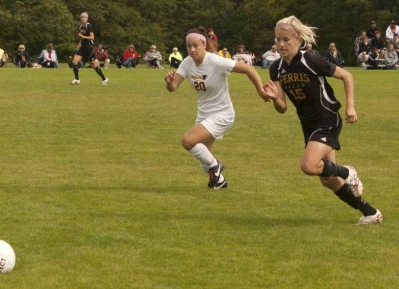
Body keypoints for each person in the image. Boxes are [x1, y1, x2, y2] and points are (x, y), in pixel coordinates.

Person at [263, 15, 382, 224]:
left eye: (286, 40)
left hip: (327, 118)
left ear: (297, 39)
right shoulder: (277, 69)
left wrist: (351, 106)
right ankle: (370, 212)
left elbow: (347, 76)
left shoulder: (311, 59)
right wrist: (274, 98)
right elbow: (282, 108)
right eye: (278, 39)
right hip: (308, 123)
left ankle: (348, 172)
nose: (280, 44)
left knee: (309, 165)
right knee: (328, 179)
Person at [164, 26, 269, 189]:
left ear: (204, 44)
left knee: (188, 141)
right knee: (204, 157)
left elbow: (248, 69)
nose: (192, 50)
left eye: (195, 45)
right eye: (188, 46)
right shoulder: (187, 62)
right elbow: (173, 87)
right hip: (203, 114)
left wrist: (261, 91)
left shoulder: (215, 61)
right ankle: (219, 181)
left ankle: (216, 166)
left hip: (222, 114)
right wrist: (170, 82)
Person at [70, 12, 108, 85]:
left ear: (87, 19)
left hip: (89, 49)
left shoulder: (89, 26)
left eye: (84, 17)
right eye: (82, 17)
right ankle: (77, 79)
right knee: (74, 61)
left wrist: (83, 37)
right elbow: (81, 39)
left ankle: (104, 79)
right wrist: (78, 47)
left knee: (94, 65)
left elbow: (92, 37)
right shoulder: (80, 27)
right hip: (82, 48)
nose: (83, 18)